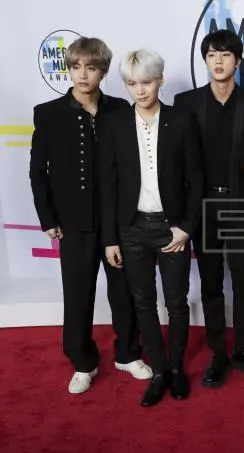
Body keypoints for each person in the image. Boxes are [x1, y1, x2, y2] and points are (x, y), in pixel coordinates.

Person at [29, 37, 151, 394]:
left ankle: (128, 354)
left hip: (119, 220)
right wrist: (48, 218)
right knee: (78, 295)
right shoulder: (49, 113)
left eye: (92, 67)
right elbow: (38, 171)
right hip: (73, 224)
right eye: (76, 67)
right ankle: (82, 362)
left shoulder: (120, 109)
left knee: (124, 292)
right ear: (69, 69)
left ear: (104, 71)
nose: (83, 75)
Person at [100, 49, 203, 407]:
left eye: (146, 82)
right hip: (131, 229)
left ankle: (176, 368)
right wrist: (110, 239)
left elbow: (196, 179)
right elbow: (108, 185)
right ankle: (159, 371)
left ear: (160, 80)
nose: (140, 90)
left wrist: (186, 228)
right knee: (143, 302)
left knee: (176, 302)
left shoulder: (182, 120)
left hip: (171, 227)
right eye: (132, 83)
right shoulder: (115, 124)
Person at [174, 29, 244, 387]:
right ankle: (218, 353)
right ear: (205, 60)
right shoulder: (186, 103)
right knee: (211, 283)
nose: (218, 61)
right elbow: (177, 161)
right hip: (203, 207)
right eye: (212, 55)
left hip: (242, 205)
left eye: (225, 55)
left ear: (238, 61)